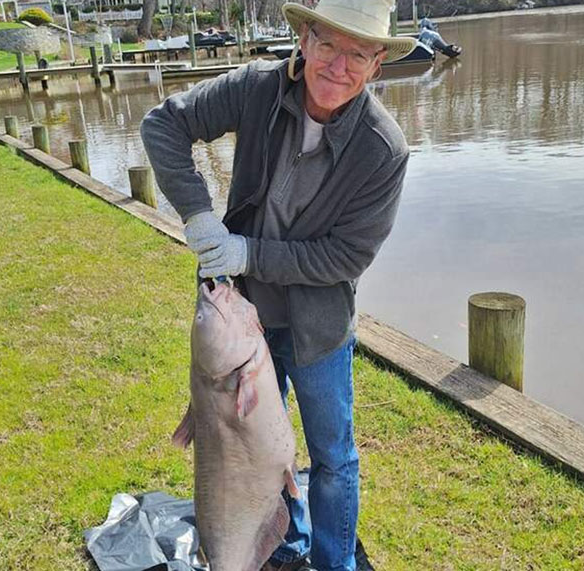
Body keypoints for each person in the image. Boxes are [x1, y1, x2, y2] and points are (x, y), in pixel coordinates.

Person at [140, 1, 415, 569]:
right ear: (306, 38)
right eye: (329, 44)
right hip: (240, 317)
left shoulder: (383, 149)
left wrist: (248, 251)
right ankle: (277, 548)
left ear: (377, 63)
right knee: (245, 453)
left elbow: (346, 256)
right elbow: (163, 124)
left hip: (317, 331)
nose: (339, 66)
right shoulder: (256, 88)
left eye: (358, 53)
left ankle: (333, 562)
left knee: (333, 459)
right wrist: (196, 214)